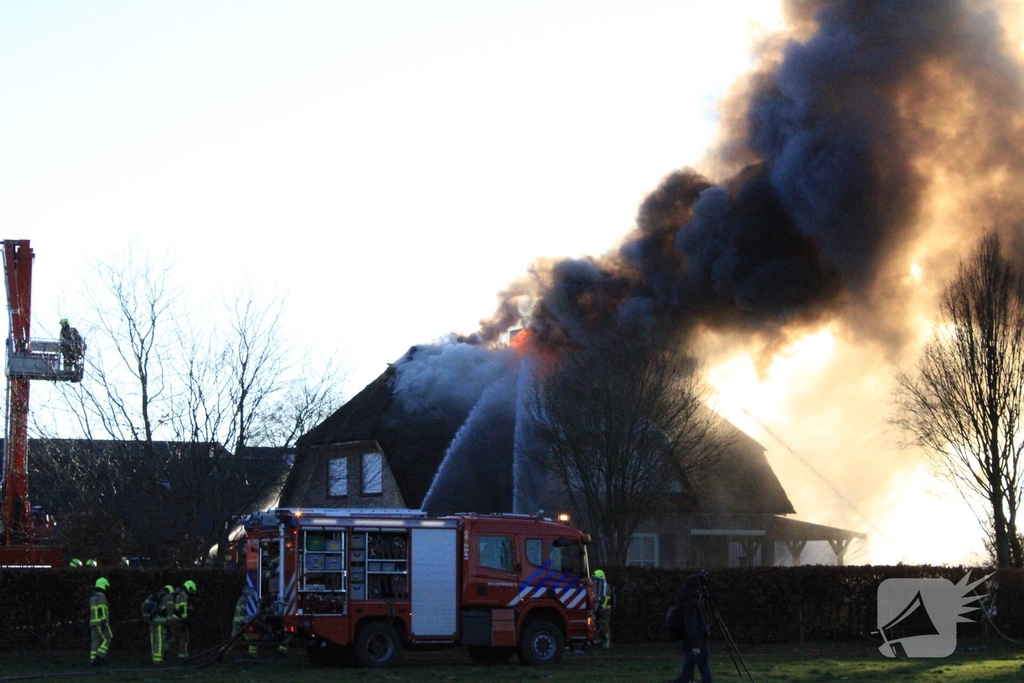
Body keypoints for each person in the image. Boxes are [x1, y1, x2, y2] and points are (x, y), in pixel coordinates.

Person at [672, 574, 712, 683]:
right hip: (698, 643)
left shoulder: (683, 600)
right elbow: (691, 625)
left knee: (686, 675)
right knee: (705, 672)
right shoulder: (692, 603)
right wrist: (696, 645)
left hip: (687, 642)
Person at [168, 580, 197, 660]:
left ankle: (164, 650)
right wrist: (185, 621)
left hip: (172, 619)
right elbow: (183, 610)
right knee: (184, 638)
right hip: (179, 620)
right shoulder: (184, 596)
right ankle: (183, 657)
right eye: (191, 591)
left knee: (174, 638)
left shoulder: (176, 594)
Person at [89, 577, 113, 666]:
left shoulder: (92, 597)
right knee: (108, 638)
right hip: (100, 622)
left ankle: (93, 660)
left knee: (95, 641)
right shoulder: (102, 596)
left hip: (93, 623)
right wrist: (104, 621)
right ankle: (99, 656)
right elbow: (102, 609)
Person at [149, 585, 175, 665]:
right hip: (161, 621)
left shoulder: (155, 596)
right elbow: (170, 609)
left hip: (152, 621)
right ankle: (158, 661)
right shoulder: (169, 597)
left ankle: (155, 659)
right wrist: (169, 621)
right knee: (160, 641)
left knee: (154, 640)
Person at [231, 586, 259, 657]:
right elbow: (243, 611)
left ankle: (253, 654)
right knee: (234, 639)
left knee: (250, 637)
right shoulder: (244, 599)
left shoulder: (243, 598)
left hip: (241, 622)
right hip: (239, 623)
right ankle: (223, 652)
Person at [591, 569, 614, 649]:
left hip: (605, 609)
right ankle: (599, 639)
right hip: (600, 608)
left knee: (604, 624)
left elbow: (606, 599)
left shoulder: (606, 587)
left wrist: (602, 608)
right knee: (597, 624)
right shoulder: (600, 586)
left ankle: (606, 641)